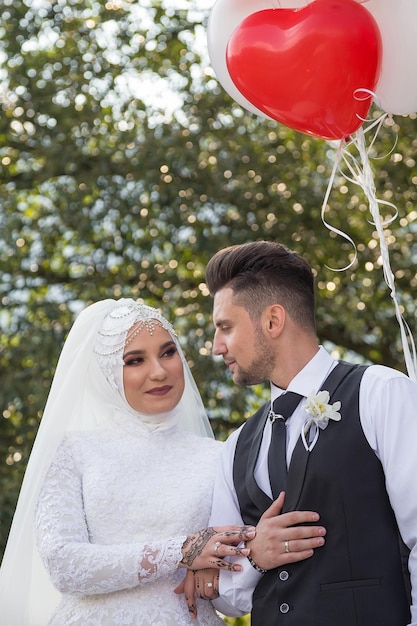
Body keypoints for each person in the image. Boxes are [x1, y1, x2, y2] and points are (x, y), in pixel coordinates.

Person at [0, 298, 257, 626]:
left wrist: (216, 562)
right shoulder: (73, 451)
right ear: (105, 373)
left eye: (168, 352)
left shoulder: (220, 455)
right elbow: (64, 564)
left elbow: (239, 555)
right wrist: (181, 551)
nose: (159, 371)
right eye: (134, 360)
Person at [203, 240, 417, 626]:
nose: (217, 346)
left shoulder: (380, 392)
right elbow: (228, 598)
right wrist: (255, 556)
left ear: (272, 320)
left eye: (225, 328)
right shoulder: (235, 447)